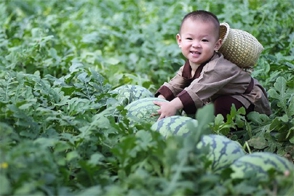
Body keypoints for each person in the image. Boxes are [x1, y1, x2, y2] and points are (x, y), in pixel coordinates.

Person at [154, 10, 271, 121]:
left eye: (204, 40)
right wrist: (161, 98)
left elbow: (197, 89)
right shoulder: (190, 64)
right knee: (189, 101)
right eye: (189, 38)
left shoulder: (217, 68)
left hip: (249, 99)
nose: (196, 45)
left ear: (216, 45)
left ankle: (227, 131)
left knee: (220, 106)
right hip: (221, 95)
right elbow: (177, 83)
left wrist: (173, 106)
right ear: (179, 40)